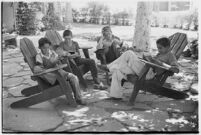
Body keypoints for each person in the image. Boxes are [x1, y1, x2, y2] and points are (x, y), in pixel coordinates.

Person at [98, 37, 179, 99]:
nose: (159, 50)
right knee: (118, 70)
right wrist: (147, 58)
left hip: (149, 75)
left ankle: (108, 67)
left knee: (129, 53)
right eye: (158, 48)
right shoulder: (160, 54)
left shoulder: (170, 55)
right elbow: (153, 61)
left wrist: (159, 63)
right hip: (145, 70)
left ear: (168, 47)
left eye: (160, 48)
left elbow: (176, 69)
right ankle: (115, 96)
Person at [33, 37, 86, 105]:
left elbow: (59, 60)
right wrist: (49, 64)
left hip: (60, 73)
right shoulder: (39, 56)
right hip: (52, 77)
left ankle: (78, 98)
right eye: (44, 48)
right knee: (46, 71)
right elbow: (40, 69)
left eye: (48, 48)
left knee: (74, 77)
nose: (46, 50)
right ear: (39, 47)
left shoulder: (52, 52)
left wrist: (59, 59)